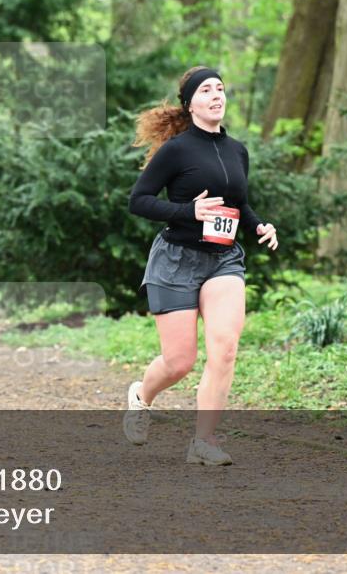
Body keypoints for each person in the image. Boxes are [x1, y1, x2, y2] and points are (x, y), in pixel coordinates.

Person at [124, 66, 278, 465]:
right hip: (176, 260)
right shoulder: (176, 150)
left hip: (223, 259)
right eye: (206, 90)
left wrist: (259, 224)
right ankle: (141, 397)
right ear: (190, 103)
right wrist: (188, 211)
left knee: (225, 349)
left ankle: (203, 442)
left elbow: (237, 204)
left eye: (221, 89)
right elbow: (138, 200)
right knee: (180, 362)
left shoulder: (237, 150)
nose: (216, 95)